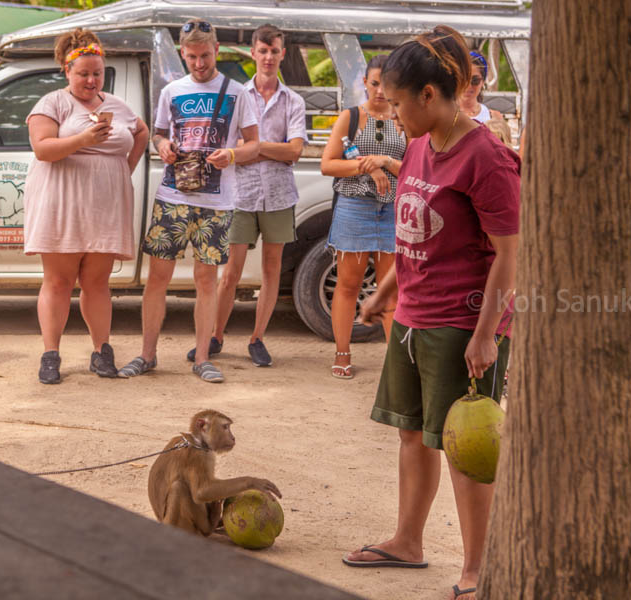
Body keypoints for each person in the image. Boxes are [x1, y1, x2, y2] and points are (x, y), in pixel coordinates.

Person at [344, 26, 520, 600]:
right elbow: (413, 229)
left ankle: (477, 569)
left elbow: (511, 254)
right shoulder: (419, 145)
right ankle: (407, 541)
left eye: (396, 102)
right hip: (413, 318)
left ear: (428, 95)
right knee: (412, 436)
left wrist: (486, 333)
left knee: (465, 448)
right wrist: (384, 290)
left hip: (461, 325)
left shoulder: (487, 157)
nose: (391, 114)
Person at [117, 19, 259, 383]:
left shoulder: (237, 92)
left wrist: (232, 155)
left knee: (206, 279)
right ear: (183, 54)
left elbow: (253, 144)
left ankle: (202, 356)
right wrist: (163, 146)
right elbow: (159, 134)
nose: (199, 63)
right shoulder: (172, 91)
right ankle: (147, 355)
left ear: (217, 50)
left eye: (206, 56)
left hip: (217, 201)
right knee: (157, 278)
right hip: (172, 196)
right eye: (193, 57)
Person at [24, 28, 149, 384]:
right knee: (59, 281)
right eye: (83, 74)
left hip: (105, 205)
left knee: (97, 283)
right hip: (62, 202)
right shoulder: (53, 103)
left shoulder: (116, 105)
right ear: (67, 72)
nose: (91, 80)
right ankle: (51, 355)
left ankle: (102, 352)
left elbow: (141, 132)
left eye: (97, 73)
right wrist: (83, 139)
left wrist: (124, 170)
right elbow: (43, 148)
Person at [190, 23, 306, 368]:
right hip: (240, 194)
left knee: (272, 269)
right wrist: (267, 149)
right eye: (263, 50)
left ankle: (257, 338)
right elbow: (229, 146)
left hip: (279, 195)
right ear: (253, 53)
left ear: (282, 54)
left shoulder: (293, 101)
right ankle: (217, 335)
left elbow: (296, 151)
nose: (269, 57)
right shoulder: (236, 95)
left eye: (274, 51)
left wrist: (254, 148)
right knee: (231, 271)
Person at [320, 55, 405, 379]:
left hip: (392, 209)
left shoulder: (403, 117)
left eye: (386, 84)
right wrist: (366, 165)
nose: (380, 90)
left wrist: (383, 161)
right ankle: (342, 353)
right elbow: (328, 164)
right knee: (348, 285)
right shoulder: (352, 116)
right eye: (374, 83)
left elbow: (412, 166)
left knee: (390, 289)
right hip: (355, 206)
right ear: (365, 83)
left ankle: (395, 361)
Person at [460, 51, 502, 124]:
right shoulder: (444, 115)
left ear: (483, 82)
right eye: (464, 79)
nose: (468, 85)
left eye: (475, 80)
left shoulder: (493, 118)